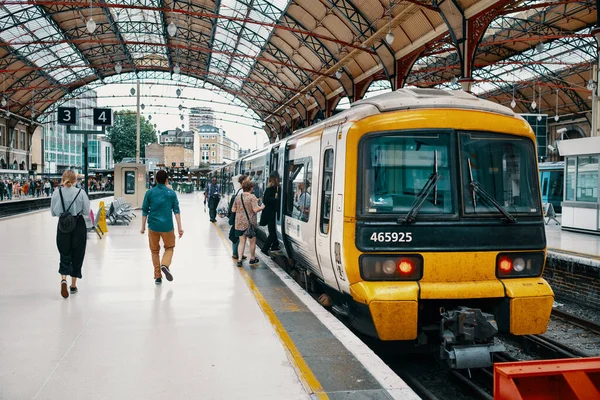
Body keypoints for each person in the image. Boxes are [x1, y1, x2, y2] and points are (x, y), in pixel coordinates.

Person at [50, 170, 91, 298]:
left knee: (65, 253)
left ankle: (63, 279)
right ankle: (73, 286)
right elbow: (86, 211)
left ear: (63, 180)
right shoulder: (81, 192)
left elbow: (53, 212)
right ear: (75, 180)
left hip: (63, 226)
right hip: (78, 225)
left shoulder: (57, 193)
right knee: (77, 254)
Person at [140, 169, 184, 285]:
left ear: (155, 179)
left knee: (154, 251)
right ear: (166, 180)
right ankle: (165, 264)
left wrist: (143, 227)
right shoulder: (171, 193)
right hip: (167, 227)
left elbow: (144, 211)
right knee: (169, 247)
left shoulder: (149, 193)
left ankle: (158, 276)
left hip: (153, 226)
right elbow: (176, 211)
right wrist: (180, 227)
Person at [231, 179, 264, 267]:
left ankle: (239, 260)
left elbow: (233, 209)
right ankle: (252, 258)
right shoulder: (252, 197)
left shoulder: (238, 197)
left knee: (242, 242)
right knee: (252, 241)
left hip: (239, 223)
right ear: (251, 188)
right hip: (250, 224)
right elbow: (255, 209)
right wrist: (262, 207)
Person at [260, 171, 281, 255]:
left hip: (271, 213)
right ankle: (265, 249)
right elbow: (266, 200)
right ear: (275, 179)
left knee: (273, 231)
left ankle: (275, 245)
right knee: (272, 232)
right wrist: (275, 199)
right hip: (270, 214)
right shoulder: (271, 188)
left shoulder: (274, 188)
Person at [228, 175, 249, 260]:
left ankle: (238, 253)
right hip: (240, 217)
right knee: (239, 236)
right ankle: (236, 253)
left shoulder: (239, 190)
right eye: (247, 180)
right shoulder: (241, 192)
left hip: (238, 216)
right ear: (243, 181)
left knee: (239, 236)